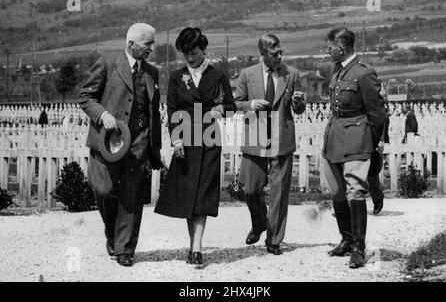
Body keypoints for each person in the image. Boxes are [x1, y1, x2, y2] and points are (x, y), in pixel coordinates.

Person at [79, 23, 162, 267]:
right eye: (148, 44)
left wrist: (153, 148)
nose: (152, 49)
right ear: (131, 44)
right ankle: (111, 232)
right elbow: (86, 96)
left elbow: (152, 113)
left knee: (132, 196)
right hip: (108, 142)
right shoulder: (107, 62)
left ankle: (125, 248)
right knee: (104, 190)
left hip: (138, 142)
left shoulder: (152, 73)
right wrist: (102, 115)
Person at [154, 27, 236, 265]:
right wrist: (176, 139)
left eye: (195, 53)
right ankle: (194, 246)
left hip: (210, 139)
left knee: (203, 193)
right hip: (186, 140)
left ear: (204, 50)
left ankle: (197, 247)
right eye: (187, 54)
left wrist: (220, 109)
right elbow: (171, 110)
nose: (191, 58)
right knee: (190, 193)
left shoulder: (217, 76)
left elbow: (230, 106)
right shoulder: (177, 77)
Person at [234, 33, 306, 255]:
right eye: (274, 54)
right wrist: (251, 104)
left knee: (278, 193)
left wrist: (299, 103)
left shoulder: (291, 74)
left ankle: (274, 239)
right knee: (249, 187)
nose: (280, 57)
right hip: (255, 137)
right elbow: (236, 102)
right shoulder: (247, 75)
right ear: (262, 54)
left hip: (281, 140)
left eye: (281, 53)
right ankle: (259, 223)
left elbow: (300, 108)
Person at [322, 27, 385, 268]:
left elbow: (377, 115)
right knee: (337, 191)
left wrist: (371, 144)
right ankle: (346, 240)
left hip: (357, 138)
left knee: (355, 190)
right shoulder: (336, 71)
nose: (328, 50)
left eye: (330, 45)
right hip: (335, 136)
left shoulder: (363, 73)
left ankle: (359, 248)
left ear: (343, 46)